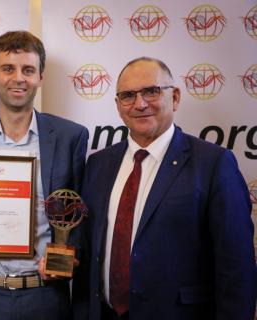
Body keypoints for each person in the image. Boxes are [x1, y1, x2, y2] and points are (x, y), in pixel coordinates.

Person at [73, 57, 257, 320]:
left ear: (176, 97)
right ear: (118, 106)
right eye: (128, 95)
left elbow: (236, 268)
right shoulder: (98, 164)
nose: (140, 104)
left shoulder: (214, 164)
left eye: (151, 91)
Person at [0, 30, 88, 319]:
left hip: (45, 293)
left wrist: (64, 260)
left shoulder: (70, 136)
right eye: (8, 68)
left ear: (40, 77)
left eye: (28, 70)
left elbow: (80, 217)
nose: (18, 78)